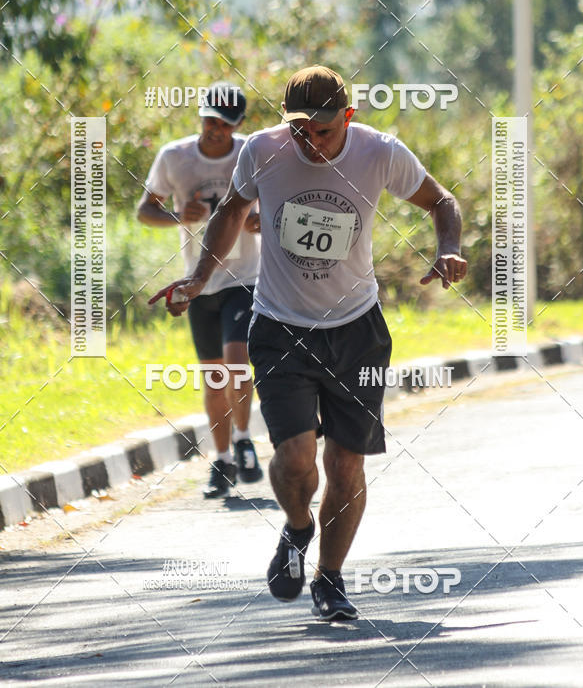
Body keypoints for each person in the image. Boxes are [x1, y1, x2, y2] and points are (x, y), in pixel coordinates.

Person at [149, 64, 467, 620]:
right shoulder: (262, 151)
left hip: (357, 331)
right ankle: (298, 529)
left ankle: (331, 578)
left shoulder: (380, 152)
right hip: (279, 327)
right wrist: (199, 278)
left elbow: (443, 201)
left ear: (347, 117)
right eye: (300, 130)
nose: (311, 143)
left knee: (346, 465)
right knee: (296, 461)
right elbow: (231, 213)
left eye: (323, 131)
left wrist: (447, 248)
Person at [138, 83, 263, 498]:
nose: (214, 129)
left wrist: (256, 221)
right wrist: (177, 216)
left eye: (224, 124)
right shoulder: (175, 157)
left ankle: (245, 436)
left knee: (235, 359)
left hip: (245, 276)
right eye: (209, 120)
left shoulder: (252, 152)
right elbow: (144, 210)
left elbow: (277, 207)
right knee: (213, 378)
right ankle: (223, 459)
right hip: (197, 281)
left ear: (239, 125)